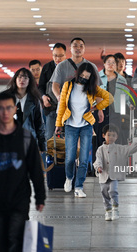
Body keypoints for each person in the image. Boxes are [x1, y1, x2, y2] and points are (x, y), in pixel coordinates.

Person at [0, 92, 46, 252]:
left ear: (15, 109)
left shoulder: (26, 138)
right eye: (0, 108)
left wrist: (40, 197)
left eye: (9, 108)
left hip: (19, 198)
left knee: (16, 237)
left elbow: (35, 169)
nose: (5, 112)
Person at [55, 63, 113, 198]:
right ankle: (69, 177)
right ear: (78, 73)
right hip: (70, 125)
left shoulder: (92, 88)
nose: (84, 78)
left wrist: (96, 107)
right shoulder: (68, 86)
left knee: (83, 159)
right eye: (82, 75)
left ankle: (79, 187)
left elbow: (109, 98)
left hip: (86, 125)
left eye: (87, 77)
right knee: (70, 158)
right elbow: (62, 105)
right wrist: (59, 124)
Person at [93, 124, 137, 221]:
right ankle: (108, 211)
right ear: (103, 135)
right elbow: (98, 159)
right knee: (104, 193)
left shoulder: (120, 148)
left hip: (114, 176)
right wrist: (98, 167)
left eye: (113, 135)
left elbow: (129, 149)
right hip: (103, 175)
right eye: (109, 135)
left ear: (116, 137)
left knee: (113, 191)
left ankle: (115, 209)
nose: (111, 137)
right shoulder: (100, 149)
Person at [6, 68, 46, 152]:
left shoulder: (34, 100)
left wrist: (42, 145)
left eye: (25, 78)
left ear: (29, 81)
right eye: (19, 77)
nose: (22, 80)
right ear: (15, 79)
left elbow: (39, 124)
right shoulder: (6, 97)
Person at [96, 54, 131, 146]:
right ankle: (99, 159)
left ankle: (115, 159)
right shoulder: (97, 77)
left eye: (113, 63)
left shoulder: (122, 80)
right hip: (101, 111)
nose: (111, 65)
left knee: (115, 137)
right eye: (108, 62)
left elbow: (125, 96)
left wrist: (128, 104)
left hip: (116, 111)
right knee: (100, 137)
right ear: (104, 63)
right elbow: (93, 94)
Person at [38, 42, 67, 140]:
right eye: (55, 56)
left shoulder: (71, 68)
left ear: (66, 55)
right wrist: (43, 97)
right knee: (50, 137)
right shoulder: (47, 68)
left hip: (67, 109)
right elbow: (41, 86)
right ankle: (49, 155)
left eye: (60, 56)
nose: (58, 59)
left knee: (67, 137)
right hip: (51, 107)